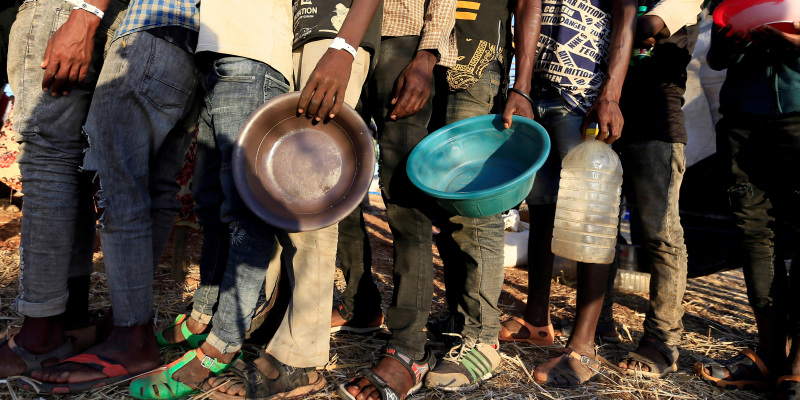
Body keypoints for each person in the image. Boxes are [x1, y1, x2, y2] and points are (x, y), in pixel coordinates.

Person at [127, 1, 381, 399]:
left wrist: (345, 47)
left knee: (296, 207)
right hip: (271, 43)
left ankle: (276, 355)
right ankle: (232, 327)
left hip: (304, 40)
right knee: (235, 203)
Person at [29, 0, 201, 393]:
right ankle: (128, 324)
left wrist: (87, 11)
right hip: (194, 42)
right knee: (153, 186)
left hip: (151, 27)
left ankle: (132, 337)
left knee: (116, 180)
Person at [497, 0, 637, 387]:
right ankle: (536, 320)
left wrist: (611, 95)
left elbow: (627, 12)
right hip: (538, 91)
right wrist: (520, 88)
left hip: (587, 96)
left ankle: (584, 345)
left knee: (590, 213)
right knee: (541, 208)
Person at [335, 1, 459, 399]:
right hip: (342, 41)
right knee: (339, 188)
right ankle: (362, 306)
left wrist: (427, 55)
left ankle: (408, 349)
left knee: (405, 201)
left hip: (400, 41)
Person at [0, 0, 128, 380]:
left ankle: (39, 336)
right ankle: (68, 320)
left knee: (48, 162)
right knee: (71, 170)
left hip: (63, 9)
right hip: (81, 13)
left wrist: (86, 12)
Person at [420, 0, 541, 392]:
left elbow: (528, 4)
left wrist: (520, 85)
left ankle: (484, 340)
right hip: (427, 59)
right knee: (447, 206)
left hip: (475, 64)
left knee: (475, 208)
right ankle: (459, 321)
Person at [693, 14, 800, 400]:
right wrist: (732, 37)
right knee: (754, 233)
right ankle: (770, 354)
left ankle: (798, 367)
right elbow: (718, 59)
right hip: (741, 118)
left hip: (797, 110)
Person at [608, 0, 703, 379]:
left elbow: (647, 25)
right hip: (607, 120)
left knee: (661, 235)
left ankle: (662, 340)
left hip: (656, 130)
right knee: (599, 231)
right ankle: (597, 322)